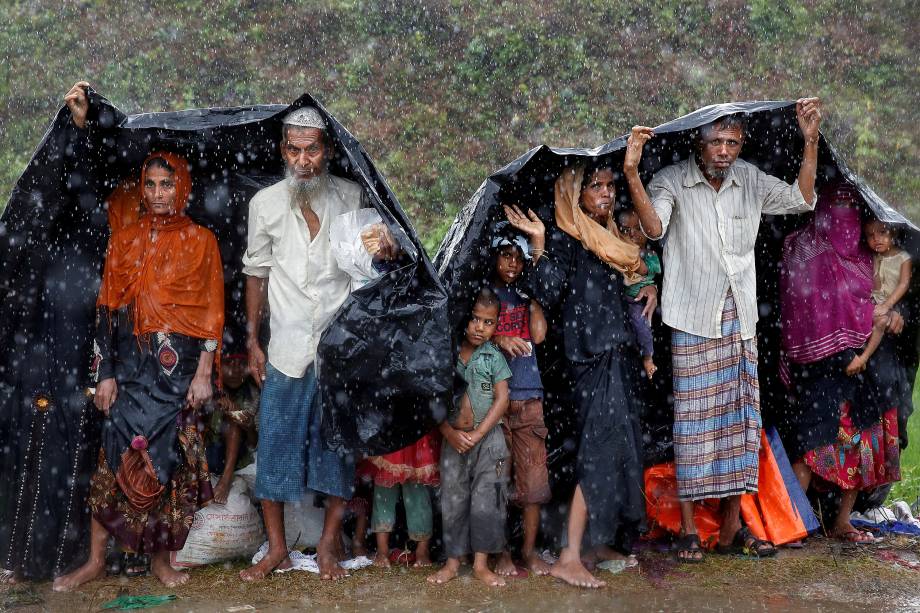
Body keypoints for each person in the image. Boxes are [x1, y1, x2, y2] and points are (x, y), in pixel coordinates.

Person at [623, 98, 823, 562]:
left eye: (733, 142)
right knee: (695, 427)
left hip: (741, 322)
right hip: (694, 319)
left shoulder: (748, 179)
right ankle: (691, 529)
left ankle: (733, 528)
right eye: (716, 141)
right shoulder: (673, 179)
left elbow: (802, 198)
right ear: (699, 140)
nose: (724, 151)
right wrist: (632, 172)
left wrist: (809, 141)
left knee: (739, 426)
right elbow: (653, 228)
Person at [52, 147, 224, 591]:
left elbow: (211, 313)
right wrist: (104, 373)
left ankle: (161, 563)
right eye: (150, 185)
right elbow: (106, 310)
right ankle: (94, 560)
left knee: (167, 461)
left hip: (178, 372)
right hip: (129, 369)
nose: (158, 193)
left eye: (166, 184)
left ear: (181, 187)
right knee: (112, 457)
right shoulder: (124, 240)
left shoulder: (202, 241)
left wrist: (204, 371)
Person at [240, 106, 398, 582]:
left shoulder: (351, 199)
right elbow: (256, 273)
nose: (303, 159)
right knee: (274, 447)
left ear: (326, 151)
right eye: (294, 149)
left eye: (312, 149)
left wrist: (386, 251)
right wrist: (251, 340)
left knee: (336, 452)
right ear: (283, 151)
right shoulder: (264, 204)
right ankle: (277, 550)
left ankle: (328, 547)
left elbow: (372, 271)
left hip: (337, 350)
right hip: (285, 348)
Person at [504, 160, 653, 588]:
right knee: (599, 451)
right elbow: (547, 293)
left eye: (609, 186)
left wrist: (650, 285)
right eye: (596, 187)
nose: (606, 194)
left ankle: (593, 543)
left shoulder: (607, 240)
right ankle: (569, 554)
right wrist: (538, 244)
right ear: (574, 195)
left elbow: (636, 272)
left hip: (615, 354)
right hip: (588, 359)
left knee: (619, 450)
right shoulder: (568, 240)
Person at [780, 182, 903, 543]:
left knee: (859, 443)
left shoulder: (868, 258)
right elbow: (797, 308)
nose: (844, 222)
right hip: (816, 367)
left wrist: (889, 315)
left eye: (852, 212)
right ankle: (793, 522)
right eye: (838, 211)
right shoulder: (803, 249)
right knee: (811, 443)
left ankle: (841, 521)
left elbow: (883, 297)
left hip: (861, 366)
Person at [427, 289, 512, 587]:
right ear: (464, 317)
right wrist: (449, 432)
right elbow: (432, 401)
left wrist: (477, 433)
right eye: (475, 319)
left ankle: (480, 564)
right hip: (453, 441)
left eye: (488, 322)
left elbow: (503, 399)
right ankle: (452, 563)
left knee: (488, 499)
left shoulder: (493, 357)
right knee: (453, 499)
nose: (480, 327)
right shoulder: (446, 355)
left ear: (496, 325)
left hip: (489, 441)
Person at [485, 227, 552, 577]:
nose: (512, 264)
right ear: (494, 256)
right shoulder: (485, 292)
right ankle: (503, 553)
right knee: (497, 481)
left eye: (518, 258)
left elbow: (538, 335)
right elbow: (473, 332)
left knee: (533, 484)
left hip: (528, 396)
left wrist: (534, 296)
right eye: (505, 255)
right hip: (495, 401)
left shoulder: (527, 294)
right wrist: (501, 337)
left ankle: (529, 551)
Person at [844, 219, 913, 376]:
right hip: (871, 301)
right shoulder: (871, 257)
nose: (876, 239)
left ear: (893, 232)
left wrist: (887, 305)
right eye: (870, 235)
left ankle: (865, 356)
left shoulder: (903, 257)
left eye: (882, 232)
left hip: (889, 303)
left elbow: (903, 284)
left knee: (881, 321)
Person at [362, 431, 440, 568]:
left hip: (415, 430)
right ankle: (382, 550)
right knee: (384, 488)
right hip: (390, 429)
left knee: (417, 492)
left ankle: (422, 551)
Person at [617, 209, 661, 379]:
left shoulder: (650, 255)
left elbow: (643, 269)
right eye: (626, 230)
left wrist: (629, 251)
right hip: (620, 303)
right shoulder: (615, 251)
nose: (632, 234)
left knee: (642, 326)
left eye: (637, 229)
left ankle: (648, 357)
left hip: (637, 301)